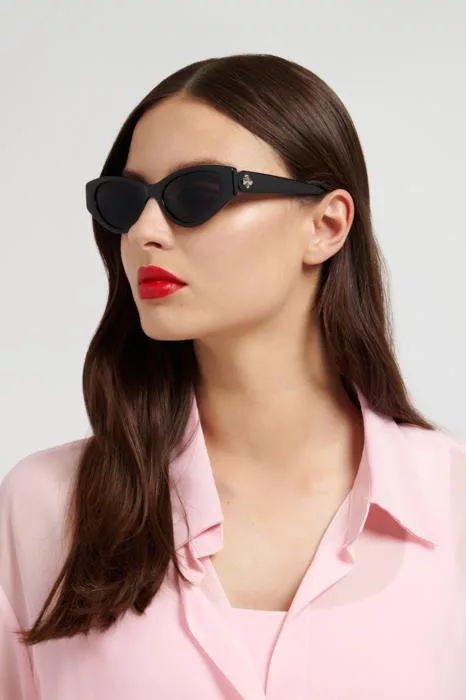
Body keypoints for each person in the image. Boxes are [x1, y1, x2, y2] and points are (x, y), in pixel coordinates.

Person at [1, 52, 465, 700]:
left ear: (326, 224)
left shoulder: (452, 503)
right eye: (126, 202)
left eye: (196, 194)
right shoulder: (46, 507)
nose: (144, 232)